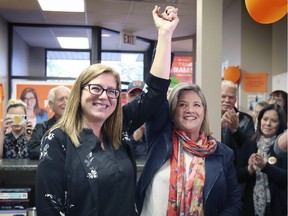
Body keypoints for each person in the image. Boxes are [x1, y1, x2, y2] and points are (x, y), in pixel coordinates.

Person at [35, 5, 179, 216]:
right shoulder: (58, 139)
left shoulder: (119, 126)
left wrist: (165, 34)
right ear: (79, 92)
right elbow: (49, 207)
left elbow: (154, 93)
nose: (104, 96)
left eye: (112, 91)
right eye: (96, 88)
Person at [136, 83, 242, 216]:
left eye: (196, 105)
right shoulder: (159, 140)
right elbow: (156, 91)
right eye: (182, 104)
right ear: (173, 111)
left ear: (204, 111)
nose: (190, 110)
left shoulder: (223, 153)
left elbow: (233, 202)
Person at [237, 104, 287, 216]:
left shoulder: (284, 146)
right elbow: (237, 176)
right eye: (265, 119)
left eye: (274, 121)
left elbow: (285, 178)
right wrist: (250, 168)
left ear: (280, 124)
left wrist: (265, 166)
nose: (268, 124)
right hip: (251, 205)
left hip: (277, 206)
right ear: (259, 121)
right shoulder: (250, 143)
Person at [27, 85, 71, 159]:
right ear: (51, 105)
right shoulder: (42, 127)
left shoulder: (81, 126)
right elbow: (33, 151)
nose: (65, 102)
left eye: (68, 99)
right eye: (61, 99)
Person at [221, 80, 255, 168]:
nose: (227, 100)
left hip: (237, 169)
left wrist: (235, 130)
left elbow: (250, 147)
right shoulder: (209, 117)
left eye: (231, 97)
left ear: (235, 99)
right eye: (223, 96)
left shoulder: (246, 119)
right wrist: (219, 126)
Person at [126, 80, 147, 159]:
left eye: (142, 95)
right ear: (126, 97)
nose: (137, 98)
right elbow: (116, 153)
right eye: (132, 95)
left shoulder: (157, 118)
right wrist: (134, 139)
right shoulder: (118, 121)